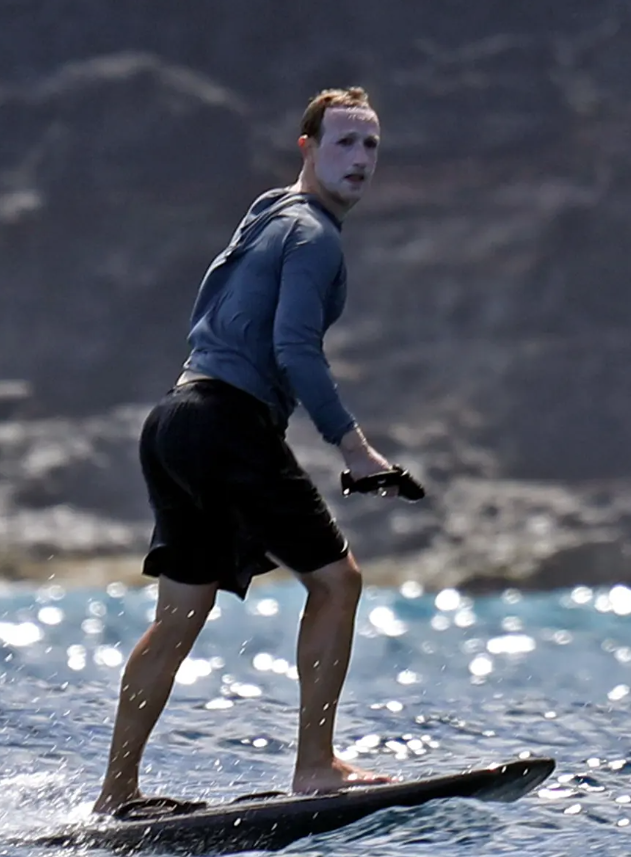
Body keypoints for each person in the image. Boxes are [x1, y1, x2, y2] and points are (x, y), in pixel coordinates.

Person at [92, 87, 418, 815]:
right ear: (307, 148)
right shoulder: (315, 236)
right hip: (228, 424)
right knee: (337, 583)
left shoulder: (267, 215)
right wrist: (354, 447)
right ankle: (315, 766)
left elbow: (214, 313)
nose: (360, 160)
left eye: (370, 146)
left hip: (174, 418)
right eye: (343, 143)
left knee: (180, 616)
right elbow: (294, 348)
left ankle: (116, 793)